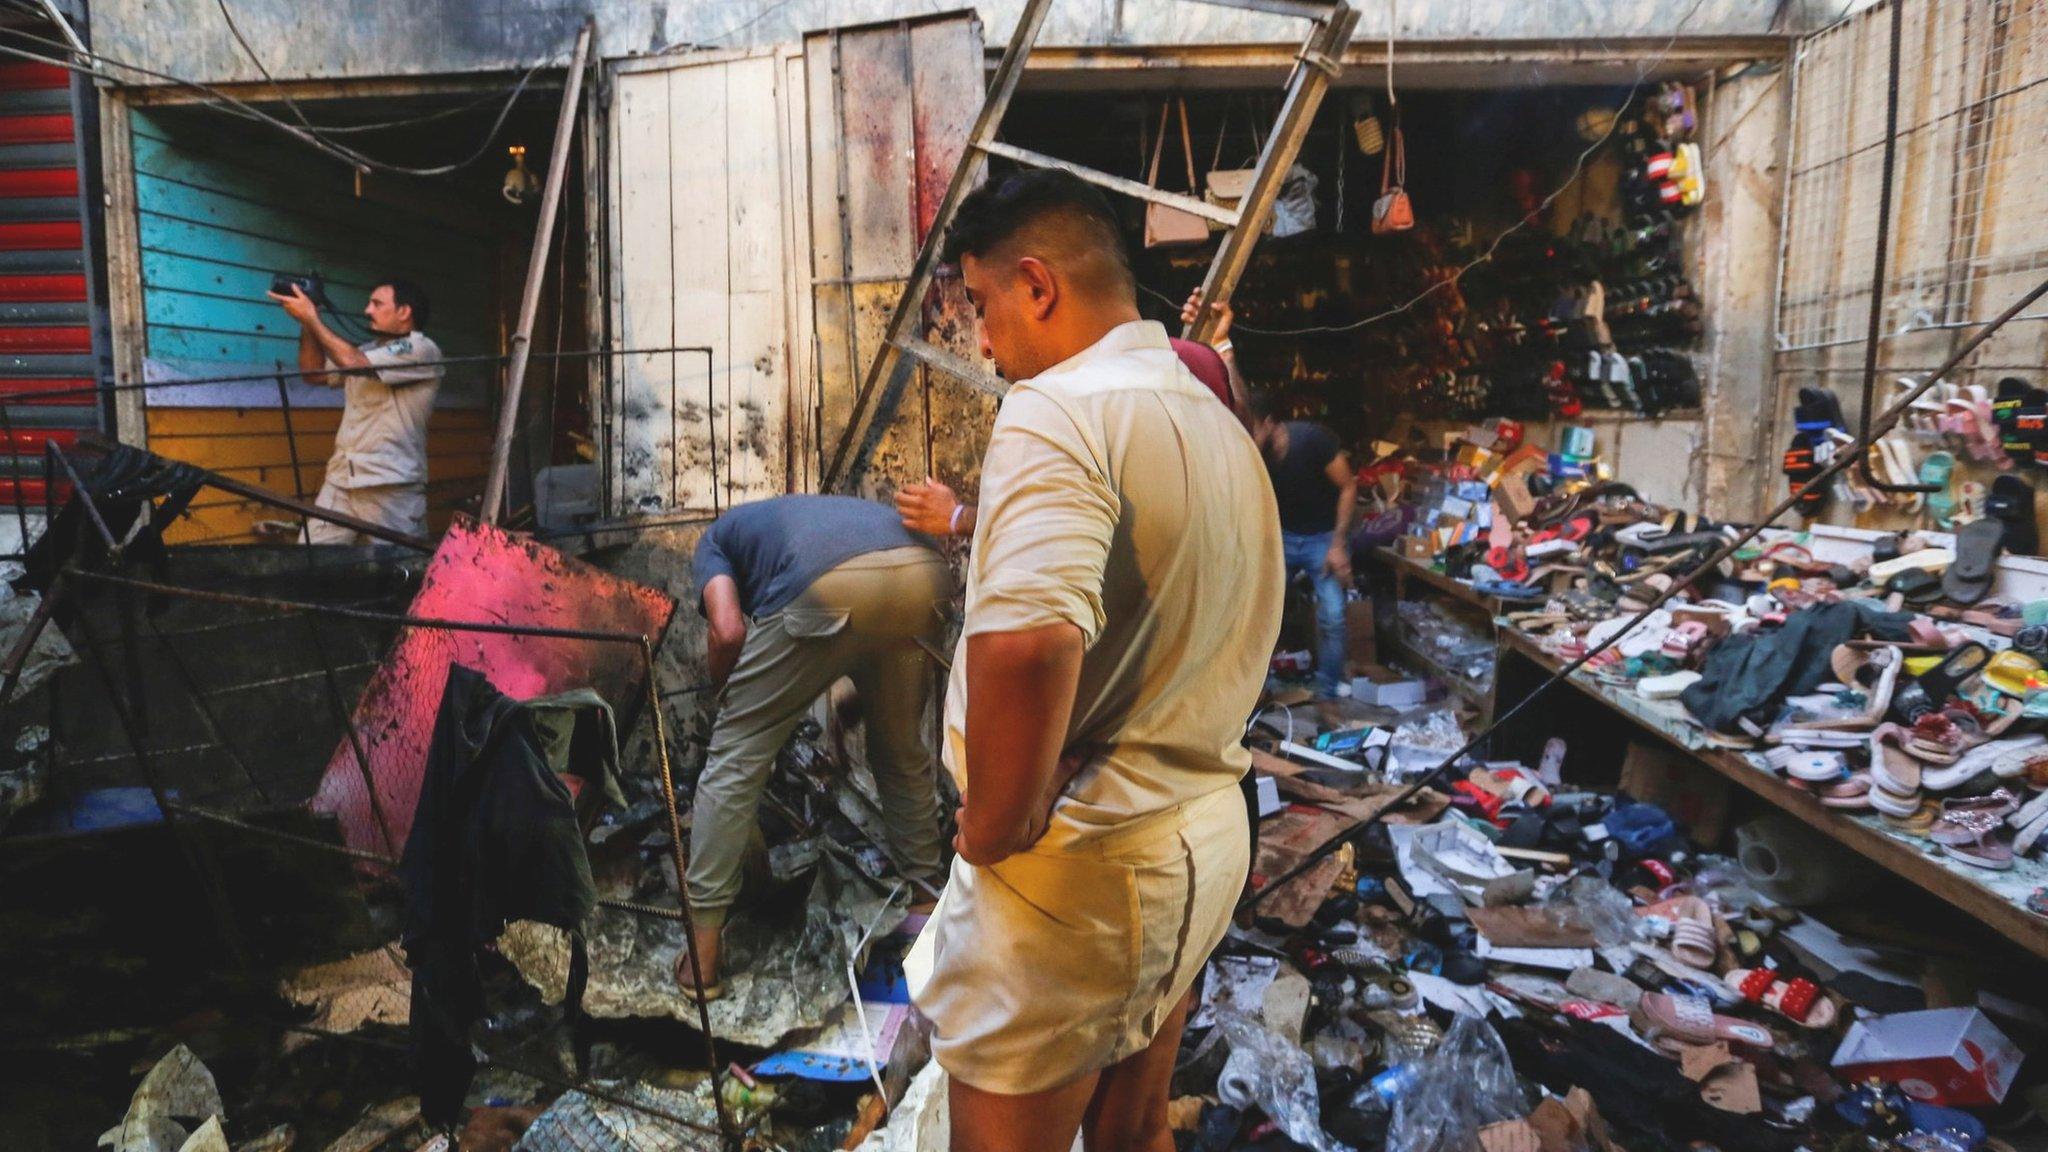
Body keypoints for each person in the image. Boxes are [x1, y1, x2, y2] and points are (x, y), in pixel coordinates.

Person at [906, 168, 1282, 1152]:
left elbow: (1029, 643)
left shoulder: (1058, 410)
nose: (983, 343)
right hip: (1198, 838)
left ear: (1036, 285)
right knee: (1130, 1131)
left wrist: (992, 824)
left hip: (1081, 882)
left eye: (982, 306)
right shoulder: (1214, 422)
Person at [676, 494, 951, 998]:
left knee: (735, 760)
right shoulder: (812, 515)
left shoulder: (714, 541)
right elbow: (864, 638)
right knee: (899, 750)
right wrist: (854, 703)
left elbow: (728, 630)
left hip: (829, 589)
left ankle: (701, 960)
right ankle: (926, 908)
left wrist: (728, 701)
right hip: (925, 577)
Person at [894, 325, 1240, 538]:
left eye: (984, 306)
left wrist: (957, 517)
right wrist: (1223, 347)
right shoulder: (1198, 363)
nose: (985, 346)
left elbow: (1047, 525)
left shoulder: (1077, 401)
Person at [270, 278, 445, 543]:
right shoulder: (368, 351)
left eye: (376, 304)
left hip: (389, 485)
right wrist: (308, 321)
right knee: (311, 561)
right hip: (343, 479)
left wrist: (313, 319)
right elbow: (313, 373)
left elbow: (354, 363)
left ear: (404, 312)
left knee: (401, 568)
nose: (367, 310)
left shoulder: (421, 348)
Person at [1247, 392, 1359, 699]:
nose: (1248, 437)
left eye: (1252, 429)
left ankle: (1328, 692)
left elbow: (1348, 486)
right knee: (1263, 613)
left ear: (1269, 424)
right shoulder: (1254, 456)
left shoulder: (1311, 440)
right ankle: (1256, 693)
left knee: (1333, 617)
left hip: (1322, 538)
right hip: (1282, 536)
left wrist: (1337, 544)